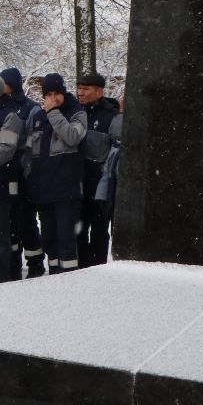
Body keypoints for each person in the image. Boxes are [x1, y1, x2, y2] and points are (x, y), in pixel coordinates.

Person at [23, 73, 87, 274]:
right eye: (48, 94)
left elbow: (72, 136)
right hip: (44, 189)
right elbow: (30, 151)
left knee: (66, 238)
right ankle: (53, 277)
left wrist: (53, 113)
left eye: (56, 93)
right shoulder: (38, 118)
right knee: (49, 239)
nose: (52, 98)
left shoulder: (77, 113)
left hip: (67, 190)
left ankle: (68, 278)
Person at [0, 67, 45, 277]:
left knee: (27, 219)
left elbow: (33, 142)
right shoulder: (0, 106)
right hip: (6, 173)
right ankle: (13, 264)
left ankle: (35, 262)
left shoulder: (31, 108)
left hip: (25, 172)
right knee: (9, 220)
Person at [75, 72, 122, 269]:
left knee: (100, 231)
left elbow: (116, 153)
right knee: (78, 230)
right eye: (79, 88)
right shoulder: (76, 113)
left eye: (85, 89)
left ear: (99, 91)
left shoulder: (112, 117)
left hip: (100, 186)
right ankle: (79, 268)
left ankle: (97, 269)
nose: (80, 93)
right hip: (77, 183)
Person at [0, 73, 27, 283]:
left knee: (0, 235)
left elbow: (6, 150)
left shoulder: (10, 116)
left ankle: (2, 275)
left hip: (0, 184)